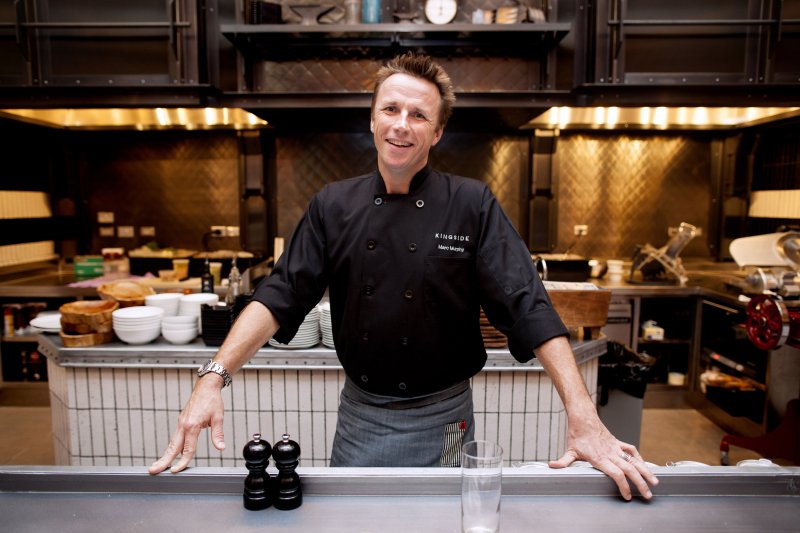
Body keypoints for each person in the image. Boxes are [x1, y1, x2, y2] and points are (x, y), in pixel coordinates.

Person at [149, 52, 658, 500]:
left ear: (437, 133)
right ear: (372, 120)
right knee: (356, 520)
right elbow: (282, 292)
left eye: (419, 115)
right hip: (360, 417)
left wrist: (584, 417)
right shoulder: (334, 205)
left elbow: (527, 303)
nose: (401, 124)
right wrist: (213, 378)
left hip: (448, 416)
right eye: (390, 109)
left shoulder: (471, 203)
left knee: (447, 516)